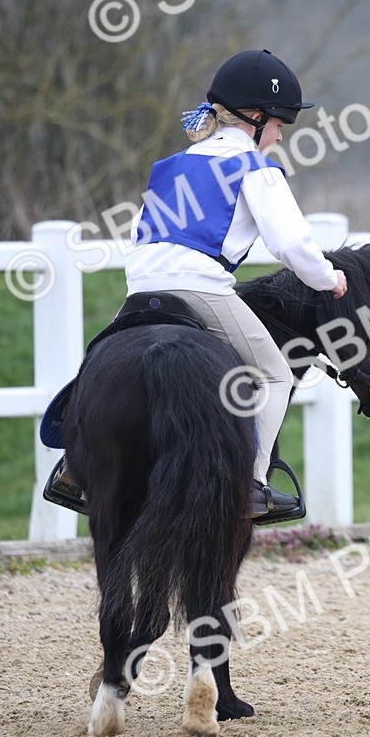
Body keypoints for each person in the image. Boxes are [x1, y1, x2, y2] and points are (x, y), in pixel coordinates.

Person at [124, 48, 347, 520]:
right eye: (280, 124)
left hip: (140, 287)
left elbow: (140, 234)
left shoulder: (171, 166)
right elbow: (291, 243)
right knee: (275, 375)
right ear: (255, 117)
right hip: (200, 288)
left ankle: (75, 466)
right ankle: (252, 483)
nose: (280, 136)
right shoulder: (255, 167)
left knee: (102, 362)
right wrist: (328, 279)